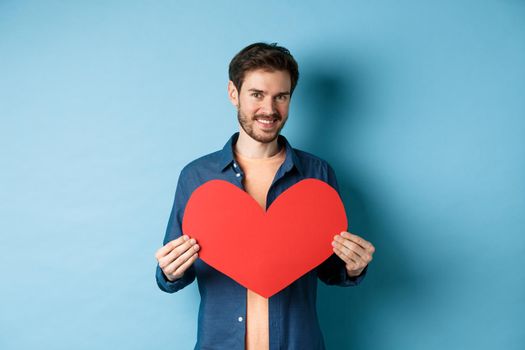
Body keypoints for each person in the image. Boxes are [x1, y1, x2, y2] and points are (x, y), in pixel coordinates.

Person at [155, 42, 375, 350]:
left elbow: (329, 268)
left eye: (280, 96)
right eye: (257, 94)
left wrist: (353, 266)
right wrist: (169, 271)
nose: (269, 110)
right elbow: (175, 273)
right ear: (234, 93)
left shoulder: (317, 174)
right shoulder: (196, 178)